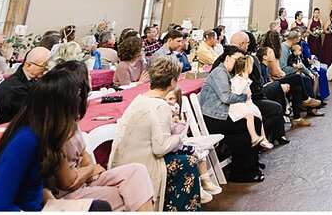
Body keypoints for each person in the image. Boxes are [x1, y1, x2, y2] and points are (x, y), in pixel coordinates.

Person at [0, 69, 95, 211]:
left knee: (98, 206)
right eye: (76, 98)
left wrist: (59, 206)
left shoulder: (41, 135)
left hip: (39, 207)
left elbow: (35, 186)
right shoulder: (27, 140)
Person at [51, 60, 157, 210]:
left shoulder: (72, 117)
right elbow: (68, 182)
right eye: (87, 76)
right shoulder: (56, 127)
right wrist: (91, 170)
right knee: (120, 195)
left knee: (137, 171)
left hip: (84, 178)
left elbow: (84, 153)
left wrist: (89, 169)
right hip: (67, 191)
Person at [110, 57, 202, 209]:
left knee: (185, 159)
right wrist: (179, 138)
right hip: (143, 165)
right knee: (189, 163)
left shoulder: (141, 98)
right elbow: (160, 148)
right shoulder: (160, 106)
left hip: (125, 161)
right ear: (173, 82)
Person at [198, 49, 264, 183]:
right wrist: (245, 97)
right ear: (227, 58)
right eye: (236, 59)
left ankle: (248, 167)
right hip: (214, 117)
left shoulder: (228, 72)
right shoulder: (219, 72)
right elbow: (226, 97)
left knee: (252, 123)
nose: (239, 63)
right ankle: (244, 171)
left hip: (222, 113)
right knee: (253, 123)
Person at [0, 46, 50, 123]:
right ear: (28, 65)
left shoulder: (33, 79)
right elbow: (32, 115)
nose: (47, 70)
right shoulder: (13, 88)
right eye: (44, 67)